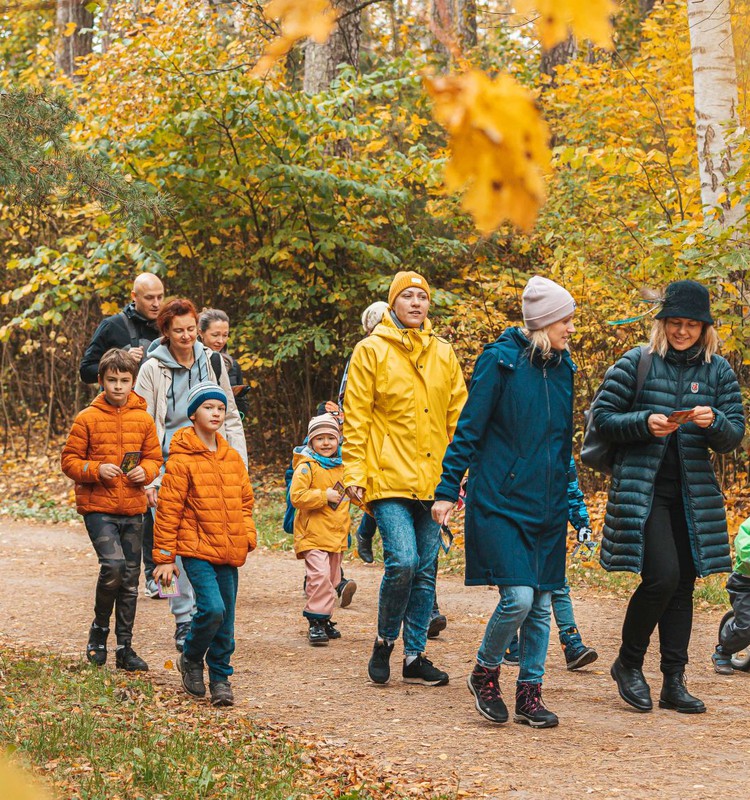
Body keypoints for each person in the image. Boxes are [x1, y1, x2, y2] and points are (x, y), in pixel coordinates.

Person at [432, 276, 577, 728]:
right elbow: (469, 429)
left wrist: (570, 498)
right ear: (544, 321)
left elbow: (560, 445)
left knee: (541, 603)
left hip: (548, 504)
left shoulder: (564, 367)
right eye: (566, 320)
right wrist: (446, 489)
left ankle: (530, 694)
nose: (572, 328)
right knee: (517, 596)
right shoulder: (500, 362)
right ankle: (485, 671)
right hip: (500, 498)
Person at [593, 279, 745, 714]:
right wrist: (645, 422)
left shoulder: (718, 371)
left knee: (683, 585)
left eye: (691, 325)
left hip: (694, 495)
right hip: (644, 491)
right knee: (662, 576)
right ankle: (628, 664)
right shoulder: (636, 361)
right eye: (674, 323)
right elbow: (603, 418)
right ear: (662, 324)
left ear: (704, 328)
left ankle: (673, 682)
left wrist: (714, 420)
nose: (682, 332)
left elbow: (733, 436)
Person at [343, 271, 467, 686]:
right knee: (403, 562)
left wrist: (460, 476)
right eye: (408, 297)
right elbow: (356, 418)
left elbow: (458, 419)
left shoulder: (444, 353)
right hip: (386, 476)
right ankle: (383, 642)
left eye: (422, 297)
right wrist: (354, 472)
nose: (416, 303)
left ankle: (415, 657)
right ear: (393, 303)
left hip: (434, 481)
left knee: (426, 570)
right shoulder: (370, 351)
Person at [135, 298, 248, 652]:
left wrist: (238, 463)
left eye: (189, 329)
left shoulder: (212, 360)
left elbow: (229, 415)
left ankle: (203, 613)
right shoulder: (152, 368)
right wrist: (150, 478)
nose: (185, 336)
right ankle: (181, 617)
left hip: (211, 460)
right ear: (165, 331)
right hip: (168, 463)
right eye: (177, 330)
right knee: (168, 549)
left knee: (208, 542)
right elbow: (143, 424)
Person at [152, 382, 256, 707]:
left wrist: (247, 534)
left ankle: (221, 677)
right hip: (195, 548)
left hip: (228, 549)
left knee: (227, 619)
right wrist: (165, 558)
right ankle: (192, 657)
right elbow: (169, 510)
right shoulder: (181, 460)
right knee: (212, 609)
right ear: (193, 414)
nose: (216, 413)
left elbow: (245, 503)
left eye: (221, 408)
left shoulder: (232, 458)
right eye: (209, 407)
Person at [61, 348, 163, 672]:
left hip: (133, 508)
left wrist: (145, 473)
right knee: (114, 566)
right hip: (98, 507)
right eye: (111, 380)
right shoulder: (87, 418)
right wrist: (95, 469)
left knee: (131, 580)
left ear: (133, 381)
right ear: (101, 381)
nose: (118, 387)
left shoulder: (143, 419)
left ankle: (125, 648)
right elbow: (69, 460)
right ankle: (98, 632)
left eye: (124, 380)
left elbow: (155, 458)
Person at [502, 457, 598, 671]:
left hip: (549, 527)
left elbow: (571, 490)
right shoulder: (512, 437)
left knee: (558, 584)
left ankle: (572, 641)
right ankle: (509, 642)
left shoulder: (559, 445)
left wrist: (582, 524)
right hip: (514, 524)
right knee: (517, 584)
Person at [290, 413, 352, 646]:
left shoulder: (342, 467)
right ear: (311, 442)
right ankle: (315, 621)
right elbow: (296, 496)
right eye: (320, 439)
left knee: (333, 579)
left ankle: (325, 619)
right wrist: (322, 496)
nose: (326, 443)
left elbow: (351, 494)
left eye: (330, 438)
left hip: (336, 534)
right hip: (313, 534)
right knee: (319, 578)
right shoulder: (307, 467)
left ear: (338, 441)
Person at [79, 273, 165, 383]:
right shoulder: (112, 326)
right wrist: (120, 362)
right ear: (134, 296)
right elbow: (85, 371)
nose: (156, 304)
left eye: (160, 297)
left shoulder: (169, 326)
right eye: (149, 298)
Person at [713, 516, 750, 674]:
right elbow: (745, 549)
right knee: (746, 625)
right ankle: (723, 652)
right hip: (745, 584)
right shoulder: (748, 526)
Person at [198, 308, 250, 419]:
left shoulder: (232, 365)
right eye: (215, 335)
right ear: (201, 333)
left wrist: (238, 396)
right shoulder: (190, 361)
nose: (221, 341)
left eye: (225, 335)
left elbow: (243, 409)